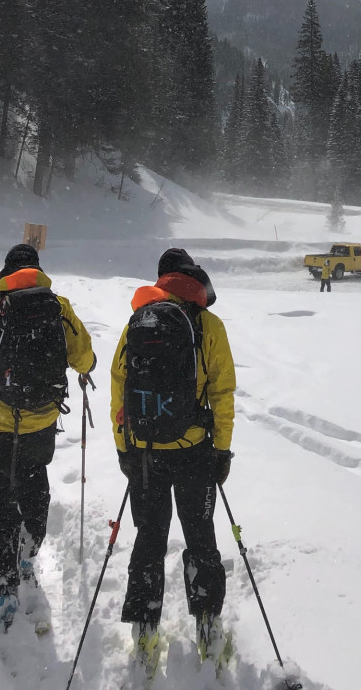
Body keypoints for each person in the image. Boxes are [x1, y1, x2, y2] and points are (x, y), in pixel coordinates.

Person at [0, 243, 95, 631]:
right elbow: (84, 357)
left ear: (4, 274)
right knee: (34, 485)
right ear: (37, 272)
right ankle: (26, 553)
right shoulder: (59, 307)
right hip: (42, 420)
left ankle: (1, 590)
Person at [110, 247, 236, 675]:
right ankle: (208, 626)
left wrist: (124, 448)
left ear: (161, 279)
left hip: (145, 452)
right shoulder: (208, 325)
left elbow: (120, 390)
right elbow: (222, 392)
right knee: (200, 537)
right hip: (196, 451)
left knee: (149, 538)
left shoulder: (140, 322)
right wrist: (223, 448)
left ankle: (144, 631)